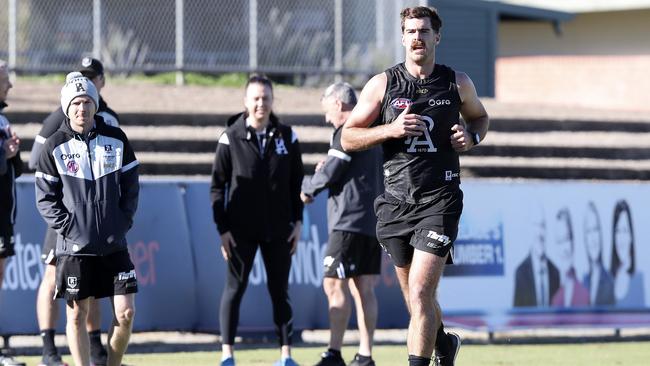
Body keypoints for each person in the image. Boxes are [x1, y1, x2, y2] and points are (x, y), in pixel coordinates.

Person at [339, 7, 489, 366]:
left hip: (441, 199)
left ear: (437, 37)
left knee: (421, 291)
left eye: (424, 31)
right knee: (414, 296)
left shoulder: (457, 82)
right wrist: (389, 129)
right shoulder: (383, 84)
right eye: (411, 31)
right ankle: (443, 343)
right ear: (403, 38)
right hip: (395, 203)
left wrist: (471, 136)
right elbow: (348, 137)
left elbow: (480, 117)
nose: (418, 37)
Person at [35, 72, 139, 366]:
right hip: (74, 248)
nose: (83, 108)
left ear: (95, 105)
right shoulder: (54, 146)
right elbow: (45, 198)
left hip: (114, 244)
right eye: (76, 103)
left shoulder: (116, 139)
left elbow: (131, 184)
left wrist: (123, 220)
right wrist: (70, 229)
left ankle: (112, 364)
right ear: (67, 107)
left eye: (87, 102)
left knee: (126, 314)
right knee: (76, 314)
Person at [210, 75, 304, 366]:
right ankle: (227, 354)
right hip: (240, 231)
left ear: (273, 100)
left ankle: (286, 355)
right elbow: (217, 188)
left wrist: (297, 223)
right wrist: (223, 229)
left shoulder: (288, 137)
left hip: (279, 230)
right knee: (234, 290)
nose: (261, 103)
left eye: (266, 98)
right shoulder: (230, 136)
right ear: (246, 101)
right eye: (255, 98)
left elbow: (295, 185)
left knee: (280, 291)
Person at [300, 83, 383, 366]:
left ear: (337, 104)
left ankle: (334, 353)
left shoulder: (346, 131)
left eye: (327, 111)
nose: (326, 119)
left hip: (348, 222)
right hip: (373, 221)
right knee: (365, 288)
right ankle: (365, 355)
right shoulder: (372, 129)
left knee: (333, 284)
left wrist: (308, 187)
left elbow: (331, 172)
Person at [0, 60, 27, 366]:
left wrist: (12, 152)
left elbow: (13, 168)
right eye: (5, 79)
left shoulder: (2, 118)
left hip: (4, 215)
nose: (9, 85)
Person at [513, 210, 560, 308]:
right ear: (529, 230)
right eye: (535, 225)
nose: (539, 232)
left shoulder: (555, 272)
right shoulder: (520, 273)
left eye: (543, 225)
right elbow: (517, 317)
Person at [550, 208, 589, 307]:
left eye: (567, 239)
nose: (565, 248)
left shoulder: (584, 291)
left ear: (573, 241)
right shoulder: (552, 291)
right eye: (559, 241)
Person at [610, 200, 645, 308]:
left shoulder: (638, 281)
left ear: (631, 236)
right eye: (618, 231)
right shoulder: (607, 279)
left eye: (625, 231)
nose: (621, 238)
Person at [582, 202, 615, 306]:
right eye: (589, 231)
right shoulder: (584, 280)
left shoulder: (610, 282)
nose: (593, 239)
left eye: (596, 230)